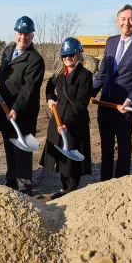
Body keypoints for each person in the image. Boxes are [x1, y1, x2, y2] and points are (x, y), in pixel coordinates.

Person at [92, 4, 132, 181]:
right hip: (105, 105)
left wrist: (130, 100)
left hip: (125, 108)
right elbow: (103, 73)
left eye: (131, 19)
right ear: (117, 21)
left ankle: (121, 183)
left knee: (124, 149)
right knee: (106, 148)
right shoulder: (111, 42)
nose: (127, 23)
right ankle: (104, 183)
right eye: (123, 19)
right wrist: (89, 92)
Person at [0, 16, 45, 196]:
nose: (23, 38)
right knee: (8, 145)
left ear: (32, 36)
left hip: (22, 112)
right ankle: (11, 179)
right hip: (4, 107)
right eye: (20, 34)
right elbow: (3, 71)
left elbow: (29, 88)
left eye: (27, 34)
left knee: (22, 149)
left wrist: (16, 108)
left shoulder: (35, 59)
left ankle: (24, 187)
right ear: (15, 34)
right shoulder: (8, 51)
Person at [41, 37, 93, 198]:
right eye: (65, 56)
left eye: (71, 55)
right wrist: (50, 98)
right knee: (61, 155)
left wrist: (67, 124)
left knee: (71, 154)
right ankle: (64, 187)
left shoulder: (85, 75)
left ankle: (71, 188)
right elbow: (49, 88)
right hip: (58, 117)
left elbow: (82, 102)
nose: (68, 58)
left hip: (75, 120)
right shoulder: (59, 74)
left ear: (78, 55)